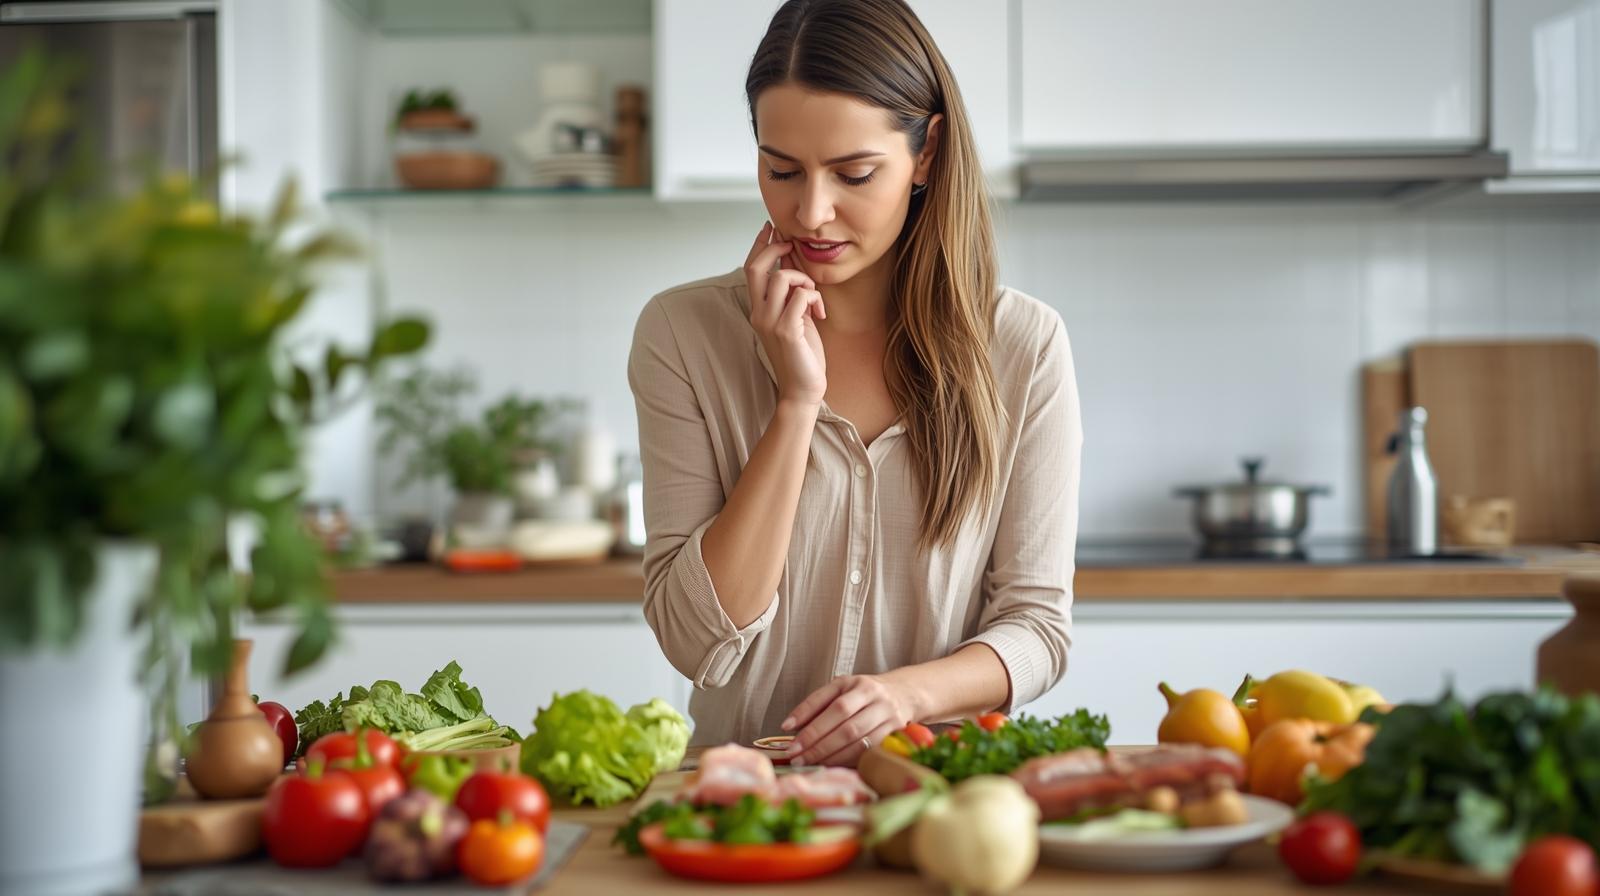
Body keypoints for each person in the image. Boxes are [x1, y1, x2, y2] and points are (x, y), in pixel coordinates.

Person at [627, 0, 1081, 766]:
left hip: (936, 796)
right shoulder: (682, 334)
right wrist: (795, 404)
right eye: (781, 169)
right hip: (744, 809)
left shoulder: (1024, 347)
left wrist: (905, 696)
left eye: (854, 173)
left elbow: (1037, 631)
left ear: (927, 154)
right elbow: (694, 638)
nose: (811, 212)